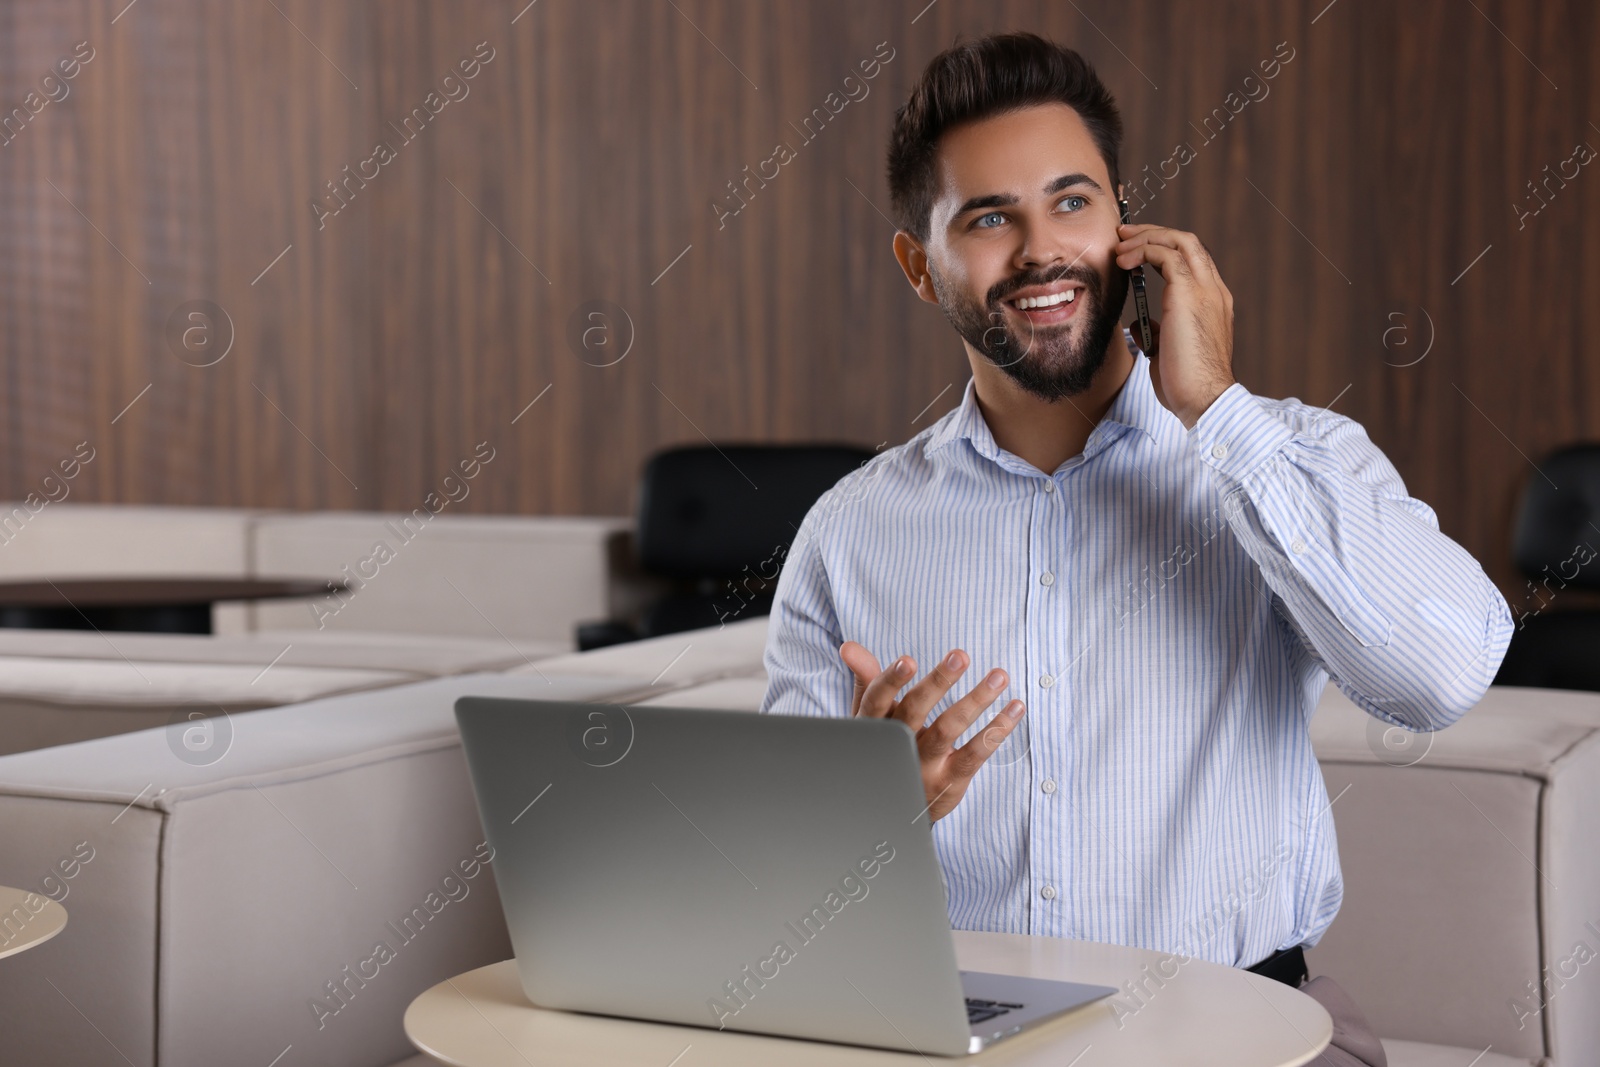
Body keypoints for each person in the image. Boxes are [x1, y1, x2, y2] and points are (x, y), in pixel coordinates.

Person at [759, 31, 1513, 1067]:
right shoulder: (848, 534)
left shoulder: (1289, 456)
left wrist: (1218, 414)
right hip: (952, 1037)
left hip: (1249, 1029)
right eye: (988, 218)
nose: (1039, 250)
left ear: (1127, 223)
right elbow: (783, 899)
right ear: (918, 268)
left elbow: (1438, 678)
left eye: (1072, 201)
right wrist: (880, 814)